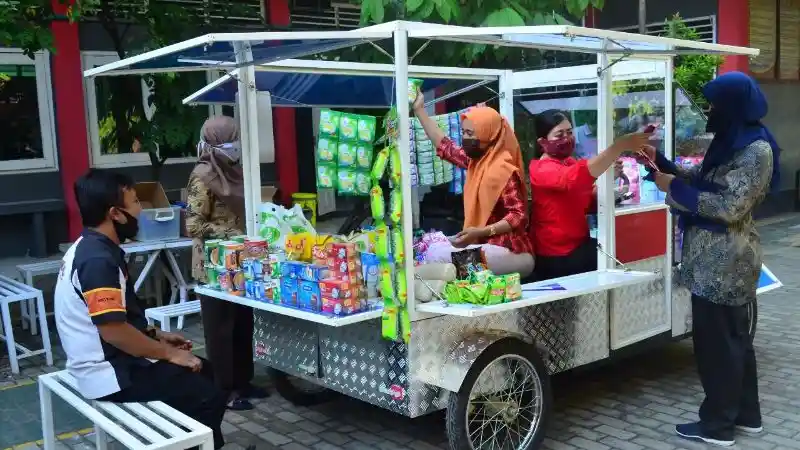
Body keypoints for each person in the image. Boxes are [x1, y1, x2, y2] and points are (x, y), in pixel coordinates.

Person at [642, 71, 778, 447]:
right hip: (713, 260)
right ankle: (747, 416)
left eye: (716, 104)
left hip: (726, 264)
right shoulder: (731, 142)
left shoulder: (755, 151)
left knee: (719, 346)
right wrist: (662, 163)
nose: (710, 110)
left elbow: (729, 206)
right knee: (734, 342)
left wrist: (676, 189)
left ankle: (718, 426)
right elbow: (699, 178)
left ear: (734, 105)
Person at [54, 170, 233, 450]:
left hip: (110, 363)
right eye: (136, 202)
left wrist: (155, 335)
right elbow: (113, 331)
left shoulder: (89, 247)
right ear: (116, 213)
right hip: (107, 375)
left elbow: (113, 318)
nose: (141, 210)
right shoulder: (98, 260)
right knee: (206, 394)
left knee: (205, 372)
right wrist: (169, 353)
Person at [186, 116, 268, 411]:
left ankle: (243, 381)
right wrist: (233, 234)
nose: (236, 146)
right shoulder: (202, 176)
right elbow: (193, 225)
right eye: (231, 139)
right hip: (213, 266)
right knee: (220, 328)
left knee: (244, 322)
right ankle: (225, 390)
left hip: (242, 261)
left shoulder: (234, 170)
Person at [412, 91, 535, 277]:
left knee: (439, 257)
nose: (465, 138)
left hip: (512, 253)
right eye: (463, 132)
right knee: (432, 249)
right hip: (485, 245)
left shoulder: (504, 170)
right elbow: (446, 147)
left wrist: (482, 231)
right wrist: (419, 110)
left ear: (488, 134)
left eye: (470, 133)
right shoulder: (477, 163)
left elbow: (518, 216)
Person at [528, 109, 652, 281]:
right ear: (542, 142)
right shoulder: (540, 169)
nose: (567, 138)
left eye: (570, 132)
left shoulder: (569, 162)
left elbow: (587, 193)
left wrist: (610, 176)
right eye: (559, 135)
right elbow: (575, 178)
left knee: (624, 247)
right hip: (557, 253)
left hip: (578, 244)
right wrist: (618, 147)